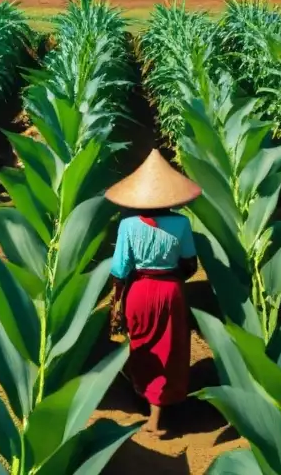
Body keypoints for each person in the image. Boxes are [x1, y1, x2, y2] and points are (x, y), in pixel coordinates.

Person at [105, 149, 201, 435]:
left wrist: (117, 301)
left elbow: (119, 271)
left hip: (139, 292)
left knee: (142, 345)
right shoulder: (182, 223)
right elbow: (191, 264)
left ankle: (150, 408)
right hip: (170, 292)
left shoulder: (128, 225)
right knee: (170, 348)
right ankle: (164, 403)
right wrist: (172, 276)